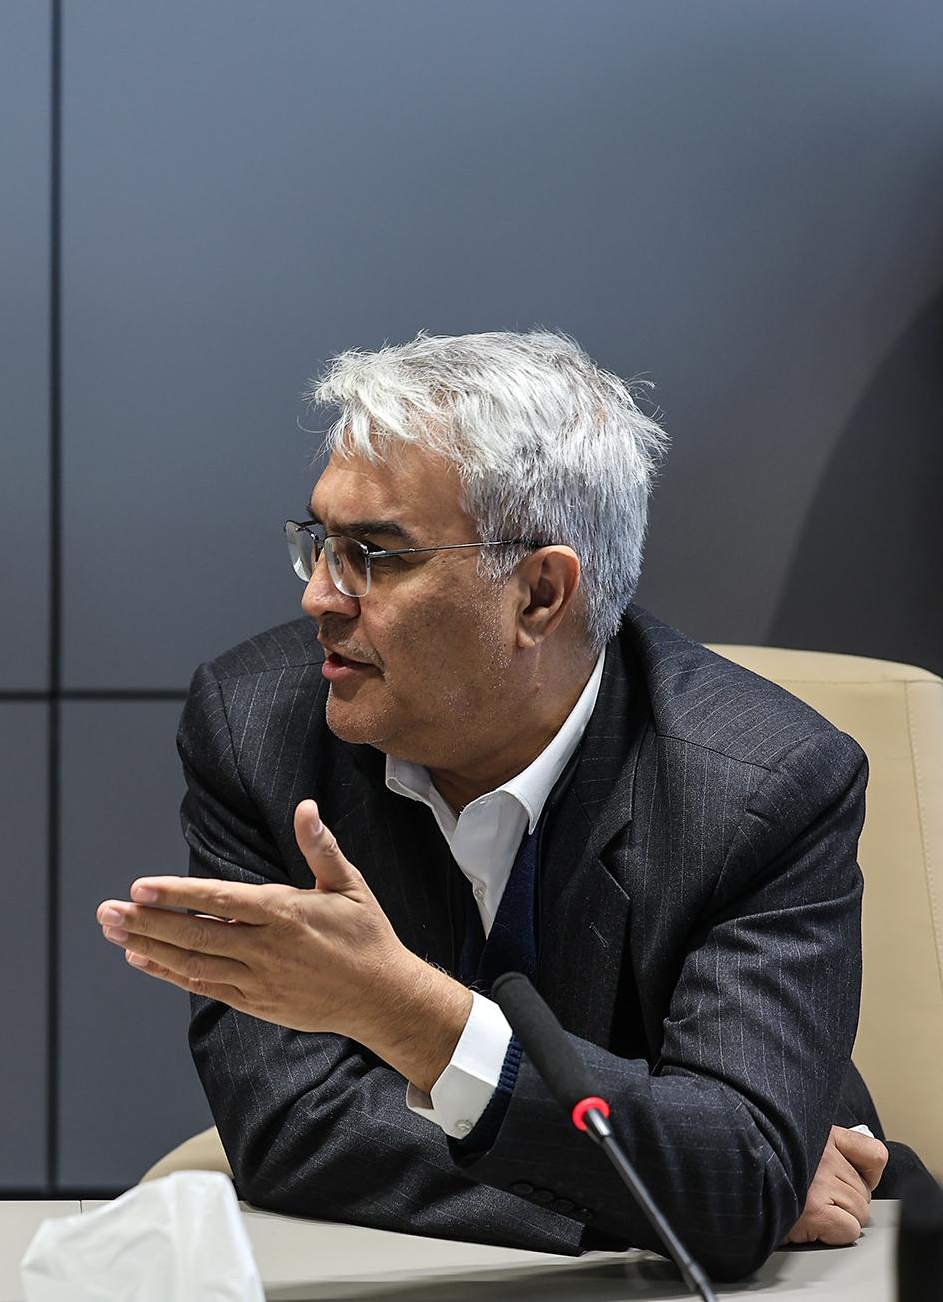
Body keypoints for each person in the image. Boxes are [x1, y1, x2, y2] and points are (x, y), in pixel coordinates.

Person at [96, 331, 903, 1281]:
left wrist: (407, 1014)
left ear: (539, 595)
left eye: (373, 555)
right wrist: (664, 1190)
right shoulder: (259, 733)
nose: (320, 596)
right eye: (320, 543)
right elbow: (294, 1125)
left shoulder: (764, 785)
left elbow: (735, 1169)